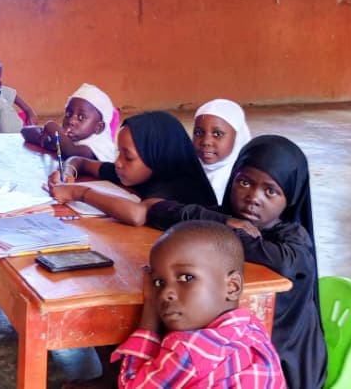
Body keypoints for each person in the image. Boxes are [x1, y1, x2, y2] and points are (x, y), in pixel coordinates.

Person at [146, 135, 327, 388]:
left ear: (291, 198)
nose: (253, 197)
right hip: (226, 354)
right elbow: (156, 210)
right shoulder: (226, 217)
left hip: (279, 367)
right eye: (244, 182)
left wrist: (219, 229)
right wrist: (222, 222)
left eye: (270, 191)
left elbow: (284, 263)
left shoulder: (294, 240)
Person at [112, 220, 285, 388]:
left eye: (187, 278)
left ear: (232, 286)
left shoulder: (188, 351)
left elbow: (130, 385)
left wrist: (150, 308)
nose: (166, 294)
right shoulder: (254, 328)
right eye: (159, 283)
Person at [47, 111, 215, 226]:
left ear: (155, 155)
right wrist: (68, 172)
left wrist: (78, 192)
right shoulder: (137, 170)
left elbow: (137, 215)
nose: (118, 162)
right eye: (119, 152)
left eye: (128, 156)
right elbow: (80, 161)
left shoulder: (179, 186)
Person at [22, 83, 118, 161]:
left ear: (98, 128)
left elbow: (71, 153)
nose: (71, 121)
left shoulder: (98, 146)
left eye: (81, 117)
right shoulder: (72, 136)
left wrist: (52, 128)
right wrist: (47, 139)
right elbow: (25, 132)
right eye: (68, 114)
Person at [193, 99, 251, 205]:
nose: (206, 142)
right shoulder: (186, 169)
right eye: (199, 133)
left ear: (237, 137)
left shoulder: (244, 180)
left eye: (217, 134)